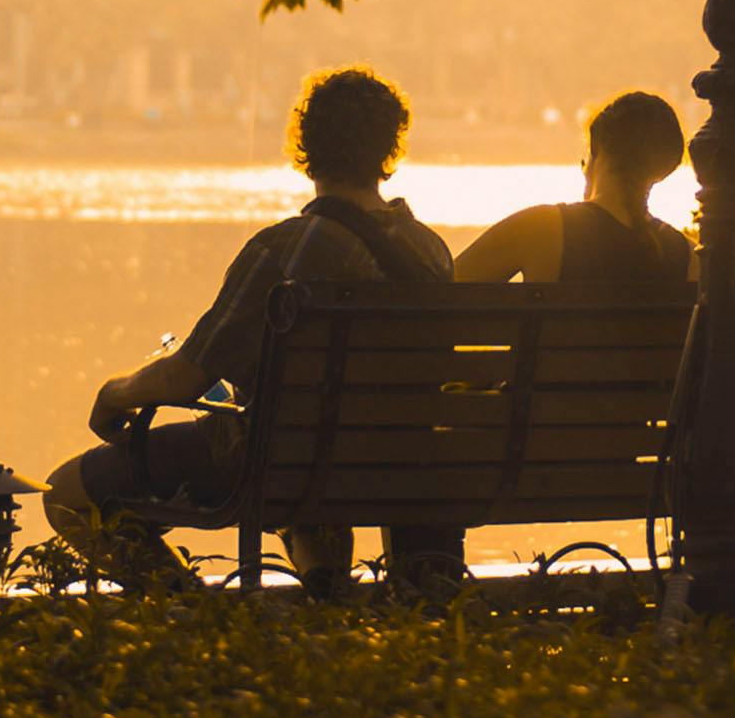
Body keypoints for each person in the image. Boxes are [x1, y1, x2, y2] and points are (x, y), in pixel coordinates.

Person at [44, 66, 456, 588]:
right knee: (304, 466)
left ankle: (194, 617)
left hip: (280, 462)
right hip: (396, 462)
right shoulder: (432, 254)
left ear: (306, 146)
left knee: (66, 495)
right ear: (388, 150)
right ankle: (326, 610)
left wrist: (115, 391)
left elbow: (187, 378)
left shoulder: (285, 249)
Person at [455, 91, 696, 287]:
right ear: (662, 170)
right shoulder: (690, 259)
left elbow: (439, 295)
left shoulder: (541, 228)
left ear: (597, 154)